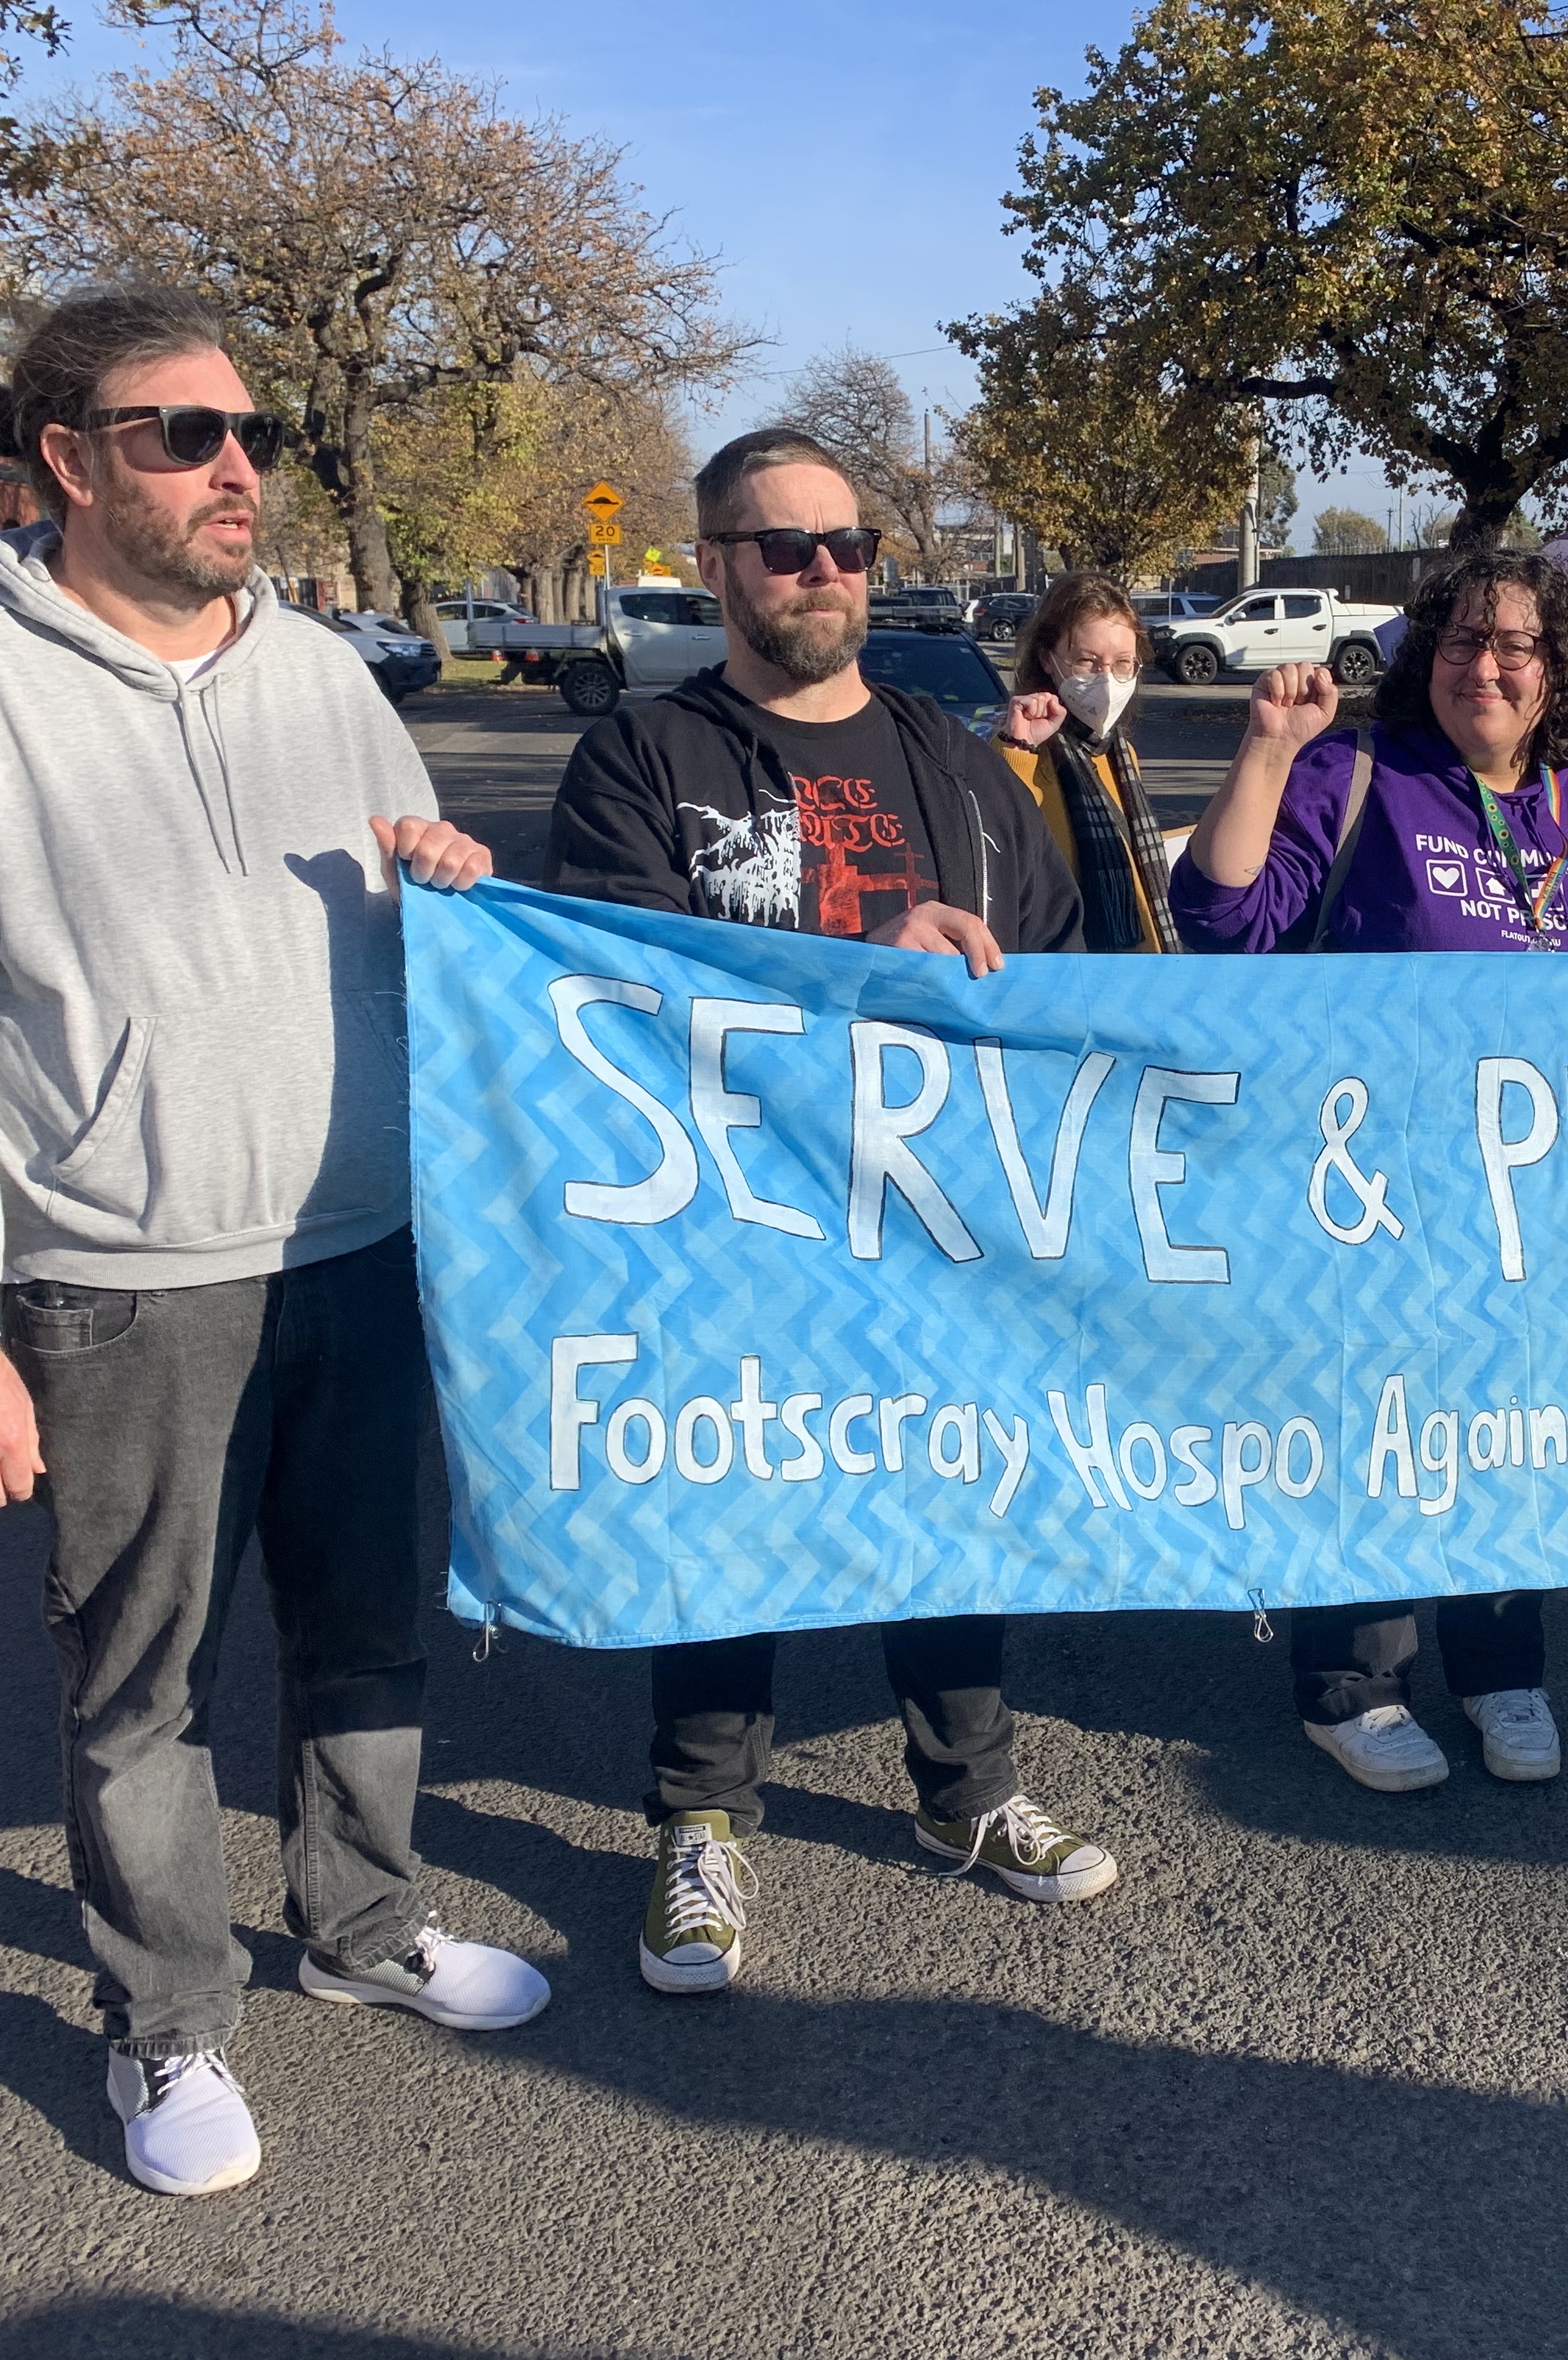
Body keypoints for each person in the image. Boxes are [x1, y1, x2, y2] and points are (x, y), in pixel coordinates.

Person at [0, 289, 548, 2200]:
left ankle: (364, 1923)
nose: (240, 468)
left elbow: (396, 949)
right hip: (120, 1281)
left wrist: (446, 897)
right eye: (186, 434)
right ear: (64, 457)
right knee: (142, 1679)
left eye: (259, 436)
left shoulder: (320, 674)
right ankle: (165, 2022)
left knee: (373, 1624)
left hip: (365, 1245)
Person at [542, 428, 1115, 1990]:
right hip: (739, 1228)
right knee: (736, 1508)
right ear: (715, 563)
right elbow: (621, 973)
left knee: (946, 1501)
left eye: (846, 545)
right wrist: (868, 955)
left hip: (935, 1226)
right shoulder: (645, 759)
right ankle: (700, 1824)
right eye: (781, 545)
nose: (820, 573)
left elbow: (1054, 960)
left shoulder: (953, 758)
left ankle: (968, 1791)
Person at [1166, 549, 1568, 1793]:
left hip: (1545, 1208)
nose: (1488, 665)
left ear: (1557, 671)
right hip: (1380, 1199)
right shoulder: (1353, 781)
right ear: (1425, 662)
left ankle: (1502, 1663)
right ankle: (1354, 1681)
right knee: (1378, 1426)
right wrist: (1271, 748)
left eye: (1517, 645)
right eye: (1460, 641)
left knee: (1513, 1426)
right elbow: (1222, 917)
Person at [988, 570, 1182, 952]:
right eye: (1086, 662)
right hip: (1065, 969)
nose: (1107, 680)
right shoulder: (1020, 747)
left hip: (1137, 971)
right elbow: (996, 848)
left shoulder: (1121, 753)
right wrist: (1018, 745)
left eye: (1123, 663)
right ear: (1048, 659)